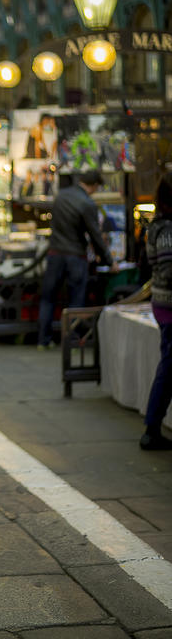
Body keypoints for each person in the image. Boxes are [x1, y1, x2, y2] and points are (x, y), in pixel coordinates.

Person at [38, 169, 119, 349]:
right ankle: (72, 341)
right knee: (76, 300)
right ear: (94, 186)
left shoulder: (61, 196)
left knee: (48, 297)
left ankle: (43, 340)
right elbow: (95, 235)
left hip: (55, 253)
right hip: (75, 255)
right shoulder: (87, 203)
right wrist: (109, 261)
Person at [140, 172, 172, 450]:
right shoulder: (167, 230)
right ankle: (151, 428)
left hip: (162, 305)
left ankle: (152, 426)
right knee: (168, 367)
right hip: (169, 307)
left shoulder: (158, 227)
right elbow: (168, 269)